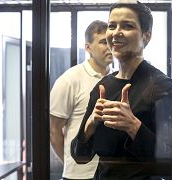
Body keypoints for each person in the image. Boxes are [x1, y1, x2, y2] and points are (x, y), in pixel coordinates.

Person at [70, 1, 172, 179]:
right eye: (112, 26)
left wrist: (133, 126)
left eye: (127, 26)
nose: (116, 32)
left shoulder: (161, 86)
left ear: (146, 36)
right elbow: (80, 156)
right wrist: (91, 123)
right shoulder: (103, 87)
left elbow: (170, 162)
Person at [50, 20, 113, 179]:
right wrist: (71, 163)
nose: (109, 47)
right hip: (79, 175)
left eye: (111, 41)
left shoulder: (118, 79)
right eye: (103, 42)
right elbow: (54, 130)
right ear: (88, 48)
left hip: (110, 173)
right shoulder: (70, 80)